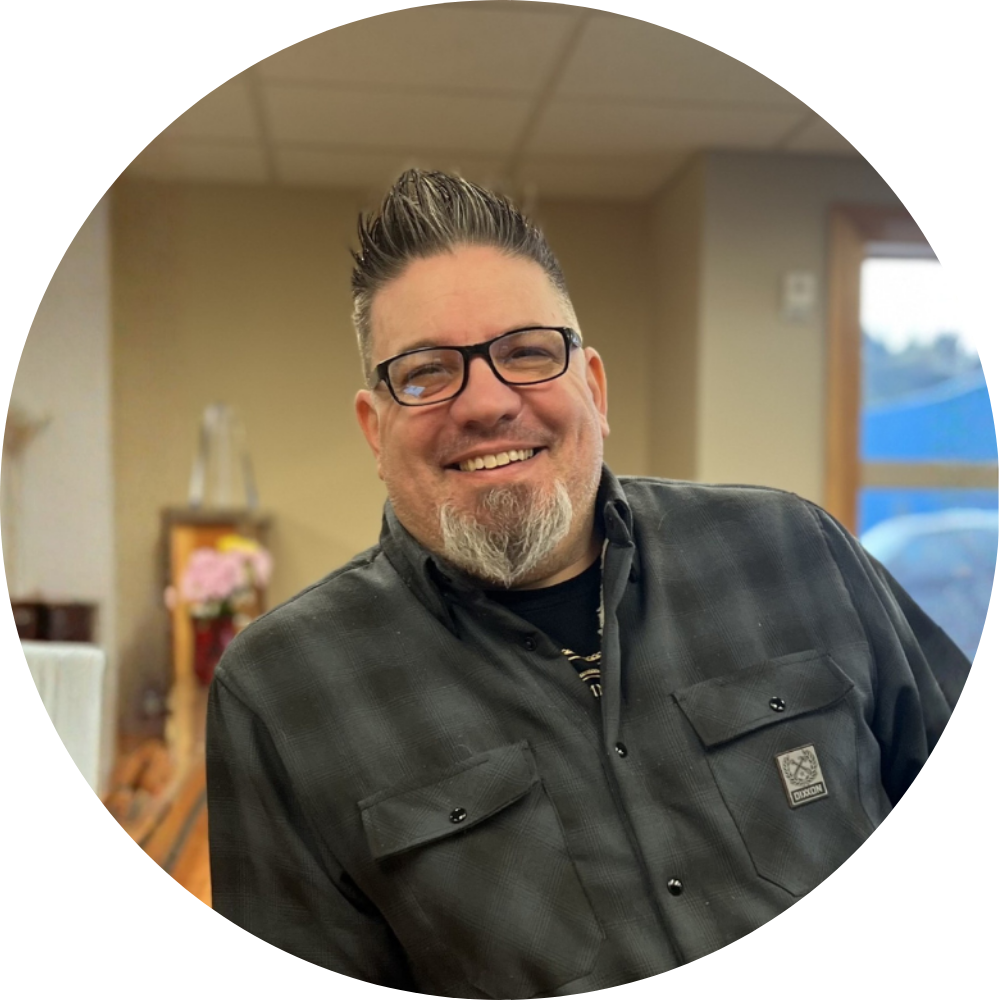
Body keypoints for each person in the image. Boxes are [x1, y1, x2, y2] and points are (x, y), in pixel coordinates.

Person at [206, 170, 969, 1000]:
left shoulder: (791, 549)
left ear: (594, 389)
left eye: (528, 353)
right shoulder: (281, 695)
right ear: (374, 427)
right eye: (427, 372)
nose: (488, 403)